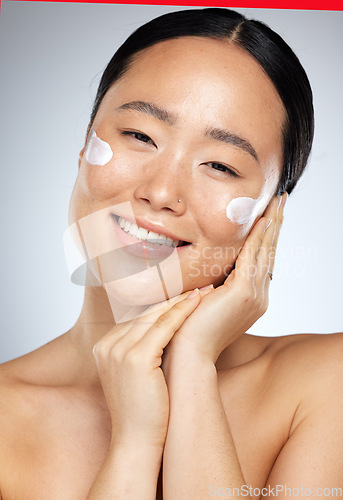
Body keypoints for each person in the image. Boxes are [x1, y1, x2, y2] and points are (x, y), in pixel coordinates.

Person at [0, 7, 342, 500]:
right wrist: (133, 446)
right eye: (140, 136)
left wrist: (193, 365)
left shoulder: (327, 384)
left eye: (220, 166)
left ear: (269, 214)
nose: (161, 192)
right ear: (83, 146)